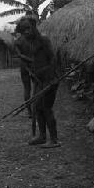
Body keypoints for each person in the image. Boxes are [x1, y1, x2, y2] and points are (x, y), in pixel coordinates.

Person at [14, 16, 60, 148]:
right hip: (39, 80)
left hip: (50, 80)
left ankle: (54, 140)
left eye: (28, 28)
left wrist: (50, 78)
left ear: (34, 27)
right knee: (37, 108)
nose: (26, 32)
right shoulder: (30, 43)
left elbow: (53, 60)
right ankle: (42, 136)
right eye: (23, 30)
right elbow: (35, 62)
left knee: (46, 108)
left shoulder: (44, 40)